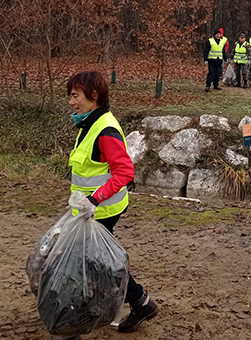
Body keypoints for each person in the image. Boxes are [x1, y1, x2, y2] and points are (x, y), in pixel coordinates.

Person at [66, 71, 158, 337]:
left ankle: (75, 321)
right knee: (100, 263)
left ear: (94, 96)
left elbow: (124, 172)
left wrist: (93, 199)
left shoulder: (105, 129)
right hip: (89, 211)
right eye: (70, 96)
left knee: (88, 264)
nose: (71, 102)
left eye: (75, 96)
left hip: (102, 210)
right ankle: (141, 304)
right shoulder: (89, 123)